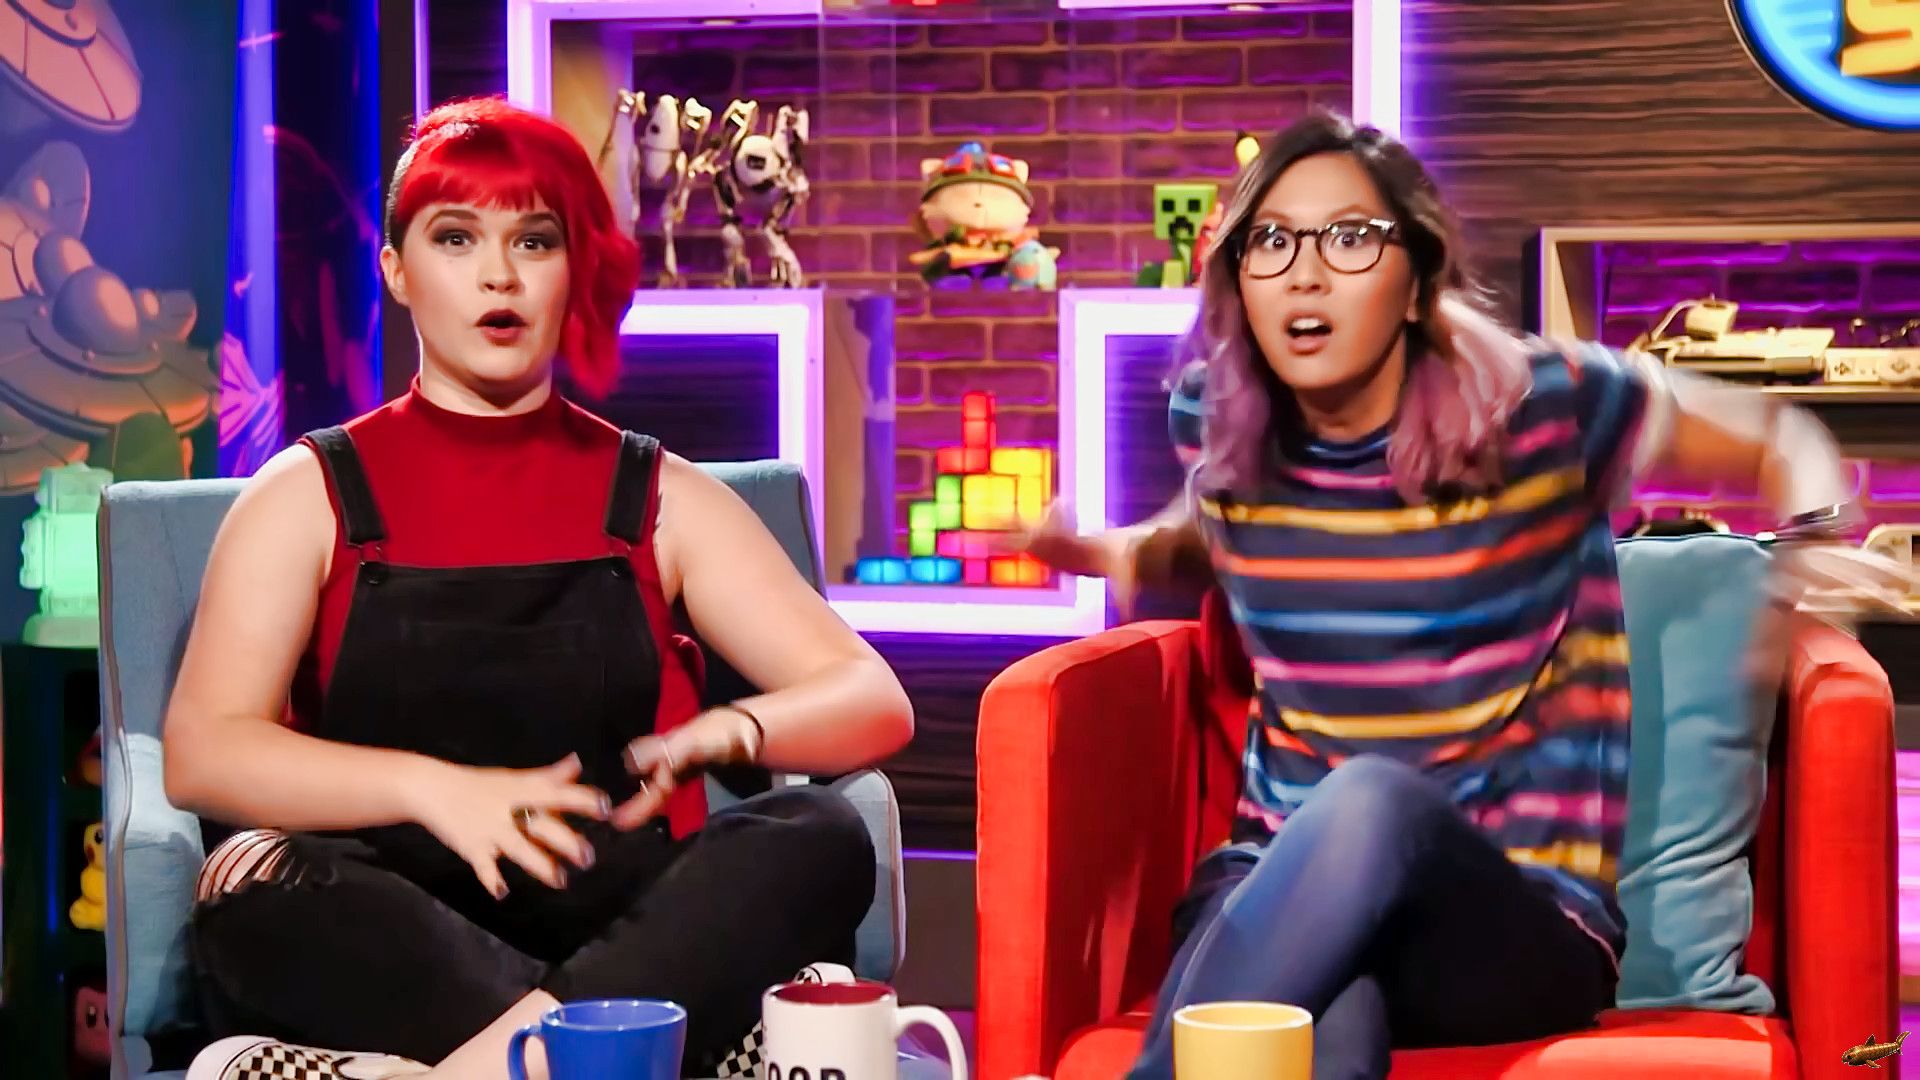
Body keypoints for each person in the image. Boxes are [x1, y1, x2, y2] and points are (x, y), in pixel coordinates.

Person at [1018, 110, 1914, 1080]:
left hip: (1515, 920)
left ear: (1417, 283)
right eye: (1270, 242)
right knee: (1328, 1013)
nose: (1305, 273)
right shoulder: (1221, 416)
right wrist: (1098, 551)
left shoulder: (1542, 404)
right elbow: (1211, 533)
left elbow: (1779, 438)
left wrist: (1810, 551)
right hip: (1273, 877)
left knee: (1368, 800)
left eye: (1349, 238)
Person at [164, 97, 913, 1080]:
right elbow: (205, 750)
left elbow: (872, 699)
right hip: (396, 918)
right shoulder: (306, 494)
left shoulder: (661, 496)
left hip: (613, 914)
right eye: (456, 237)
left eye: (535, 240)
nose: (499, 275)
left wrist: (724, 733)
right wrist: (435, 790)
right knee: (250, 884)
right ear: (396, 270)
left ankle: (464, 1072)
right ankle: (637, 1050)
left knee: (819, 834)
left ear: (574, 269)